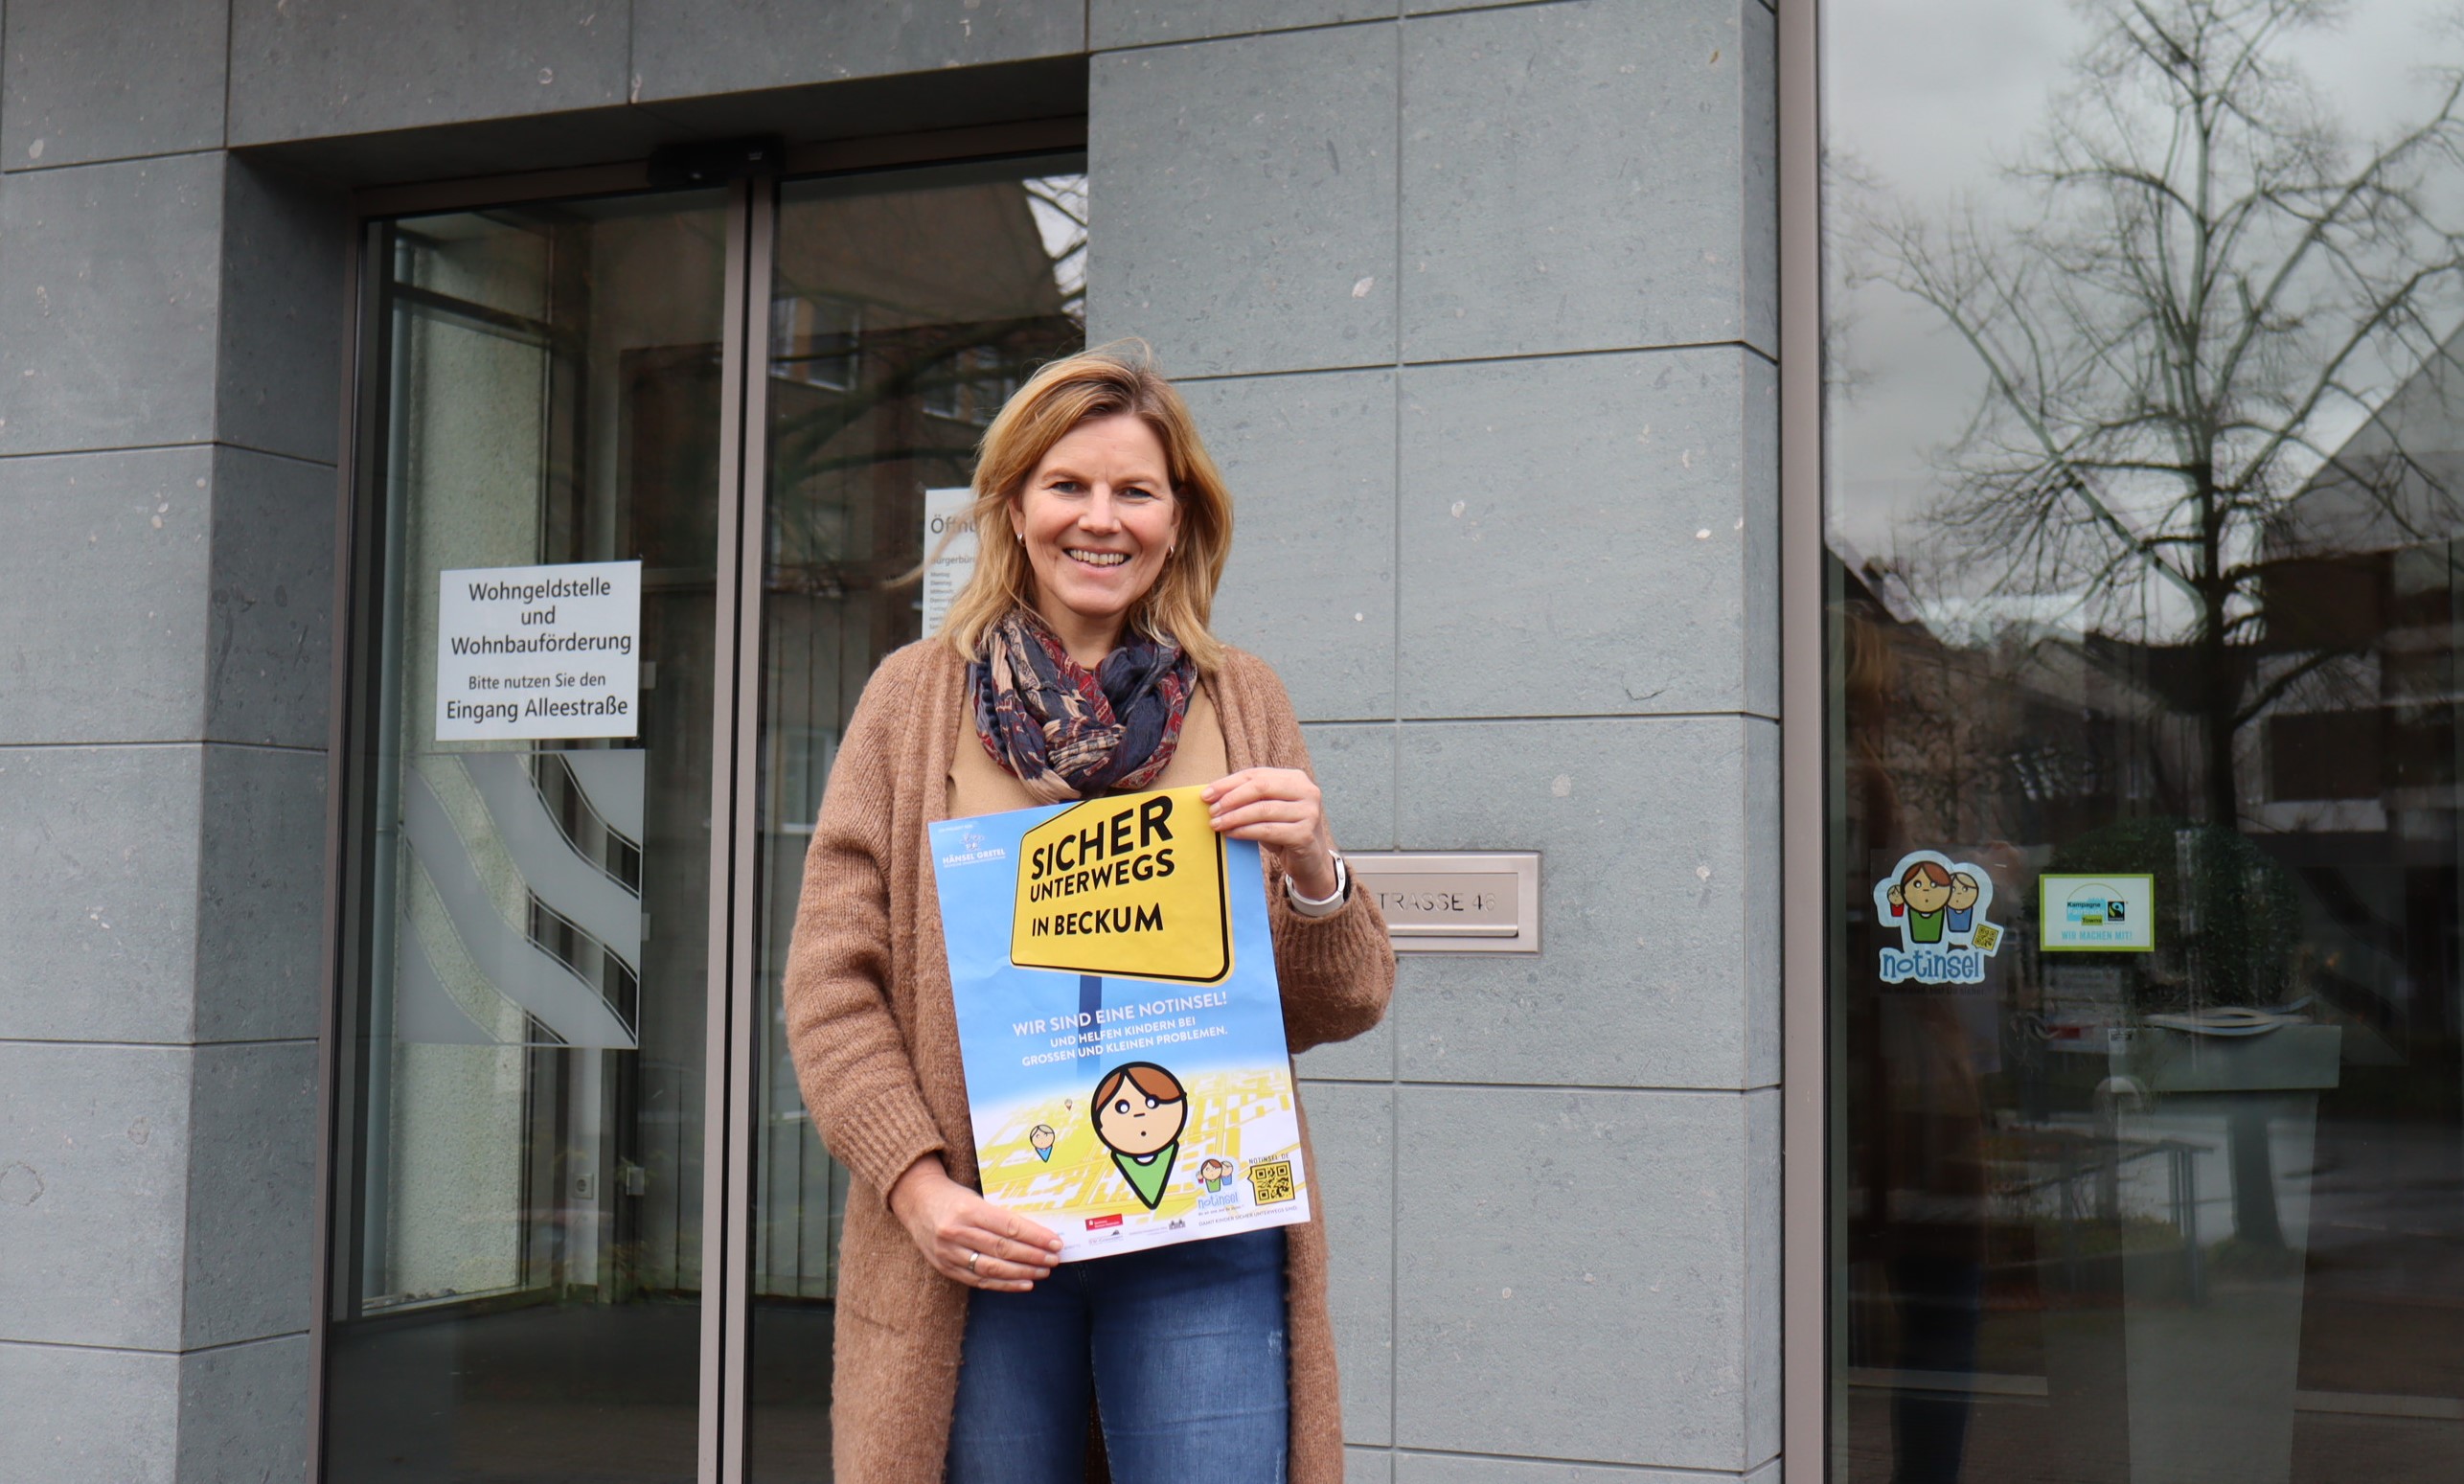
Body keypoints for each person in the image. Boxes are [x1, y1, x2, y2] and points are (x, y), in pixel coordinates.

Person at [780, 344, 1396, 1484]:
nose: (1099, 519)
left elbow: (1336, 1003)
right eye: (1068, 485)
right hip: (982, 1242)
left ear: (1178, 516)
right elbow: (831, 987)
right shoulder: (914, 699)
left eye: (1135, 491)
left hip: (1202, 1230)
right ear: (1014, 505)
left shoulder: (1240, 696)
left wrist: (1315, 866)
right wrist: (918, 1188)